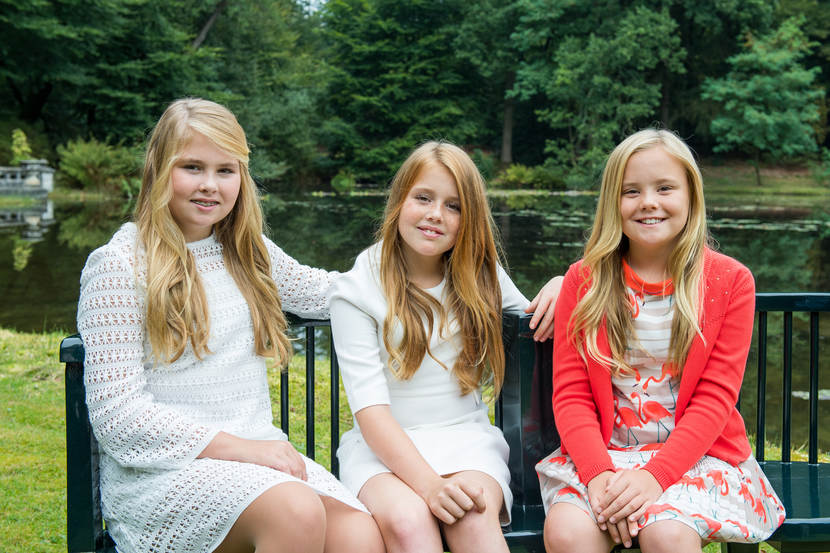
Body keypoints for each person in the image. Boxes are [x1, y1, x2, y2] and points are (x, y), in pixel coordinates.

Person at [76, 98, 384, 553]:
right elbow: (119, 418)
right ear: (159, 169)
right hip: (163, 474)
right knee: (296, 511)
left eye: (226, 170)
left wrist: (440, 280)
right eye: (192, 167)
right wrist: (245, 450)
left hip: (258, 459)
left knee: (359, 535)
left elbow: (331, 292)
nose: (210, 185)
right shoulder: (119, 265)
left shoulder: (246, 251)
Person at [535, 129, 786, 553]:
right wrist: (598, 475)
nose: (648, 202)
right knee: (567, 533)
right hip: (605, 456)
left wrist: (654, 478)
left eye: (665, 188)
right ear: (612, 202)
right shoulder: (585, 280)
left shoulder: (730, 281)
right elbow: (572, 394)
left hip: (696, 457)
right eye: (631, 191)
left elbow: (714, 399)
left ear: (691, 196)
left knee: (667, 534)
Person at [328, 140, 563, 553]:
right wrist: (430, 486)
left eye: (453, 206)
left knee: (472, 514)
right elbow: (371, 412)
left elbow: (534, 314)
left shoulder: (481, 275)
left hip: (465, 439)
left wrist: (564, 285)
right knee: (407, 522)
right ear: (399, 201)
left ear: (468, 219)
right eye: (423, 198)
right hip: (382, 448)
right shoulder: (358, 289)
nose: (436, 214)